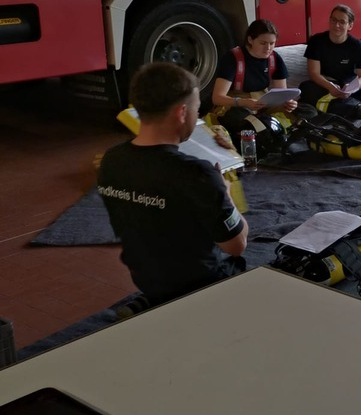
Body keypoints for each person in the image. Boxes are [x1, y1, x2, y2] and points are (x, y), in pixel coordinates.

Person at [97, 63, 248, 308]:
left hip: (146, 278)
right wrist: (226, 192)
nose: (198, 118)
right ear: (181, 113)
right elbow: (236, 245)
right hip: (201, 284)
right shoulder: (197, 174)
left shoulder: (111, 160)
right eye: (197, 110)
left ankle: (153, 302)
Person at [299, 5, 361, 119]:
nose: (336, 25)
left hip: (347, 86)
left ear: (350, 26)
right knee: (305, 88)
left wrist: (351, 88)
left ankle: (336, 106)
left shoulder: (357, 45)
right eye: (334, 20)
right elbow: (314, 73)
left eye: (342, 22)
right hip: (325, 85)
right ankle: (354, 108)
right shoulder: (316, 41)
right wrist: (330, 86)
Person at [211, 19, 299, 116]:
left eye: (272, 43)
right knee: (240, 116)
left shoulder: (274, 58)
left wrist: (288, 103)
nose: (268, 48)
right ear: (250, 40)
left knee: (303, 111)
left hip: (264, 101)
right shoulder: (233, 58)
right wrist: (243, 102)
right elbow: (217, 98)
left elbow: (281, 93)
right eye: (263, 43)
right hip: (238, 102)